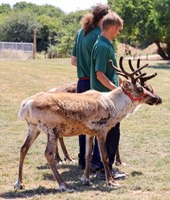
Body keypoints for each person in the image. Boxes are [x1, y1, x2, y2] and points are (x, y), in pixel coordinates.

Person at [71, 4, 110, 170]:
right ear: (104, 18)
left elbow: (73, 60)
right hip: (94, 83)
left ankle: (82, 159)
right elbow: (99, 68)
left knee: (83, 124)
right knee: (98, 124)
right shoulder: (98, 35)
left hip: (81, 83)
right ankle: (95, 161)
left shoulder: (81, 32)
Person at [90, 11, 125, 179]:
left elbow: (110, 71)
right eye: (118, 30)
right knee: (111, 132)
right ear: (112, 27)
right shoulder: (103, 46)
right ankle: (106, 169)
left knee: (109, 132)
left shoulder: (106, 44)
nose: (118, 33)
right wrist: (115, 90)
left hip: (107, 95)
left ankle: (105, 167)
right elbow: (99, 74)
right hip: (105, 98)